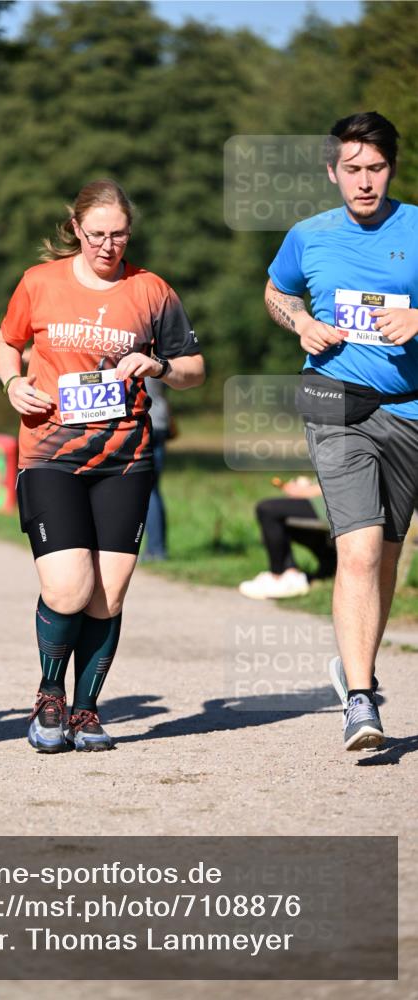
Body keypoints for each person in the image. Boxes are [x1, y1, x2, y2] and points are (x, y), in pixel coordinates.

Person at [0, 179, 205, 752]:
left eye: (118, 235)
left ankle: (86, 711)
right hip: (49, 454)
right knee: (68, 589)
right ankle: (49, 696)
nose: (107, 246)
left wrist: (158, 366)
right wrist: (13, 382)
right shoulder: (40, 283)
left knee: (107, 597)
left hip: (125, 460)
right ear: (75, 230)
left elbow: (195, 369)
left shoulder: (151, 290)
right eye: (96, 235)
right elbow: (5, 342)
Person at [265, 112, 418, 752]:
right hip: (335, 402)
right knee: (356, 549)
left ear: (392, 168)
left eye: (375, 168)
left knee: (385, 554)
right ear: (332, 172)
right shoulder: (308, 235)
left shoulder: (416, 226)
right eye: (351, 169)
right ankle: (360, 700)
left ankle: (359, 664)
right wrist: (298, 323)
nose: (364, 181)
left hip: (409, 409)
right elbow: (276, 292)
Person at [239, 477, 336, 599]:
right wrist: (309, 482)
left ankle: (279, 575)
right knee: (275, 515)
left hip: (336, 505)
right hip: (326, 501)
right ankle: (293, 573)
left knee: (267, 510)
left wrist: (307, 491)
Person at [141, 376, 171, 561]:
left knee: (148, 490)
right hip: (160, 421)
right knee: (153, 489)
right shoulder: (160, 354)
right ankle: (156, 547)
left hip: (144, 422)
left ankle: (155, 549)